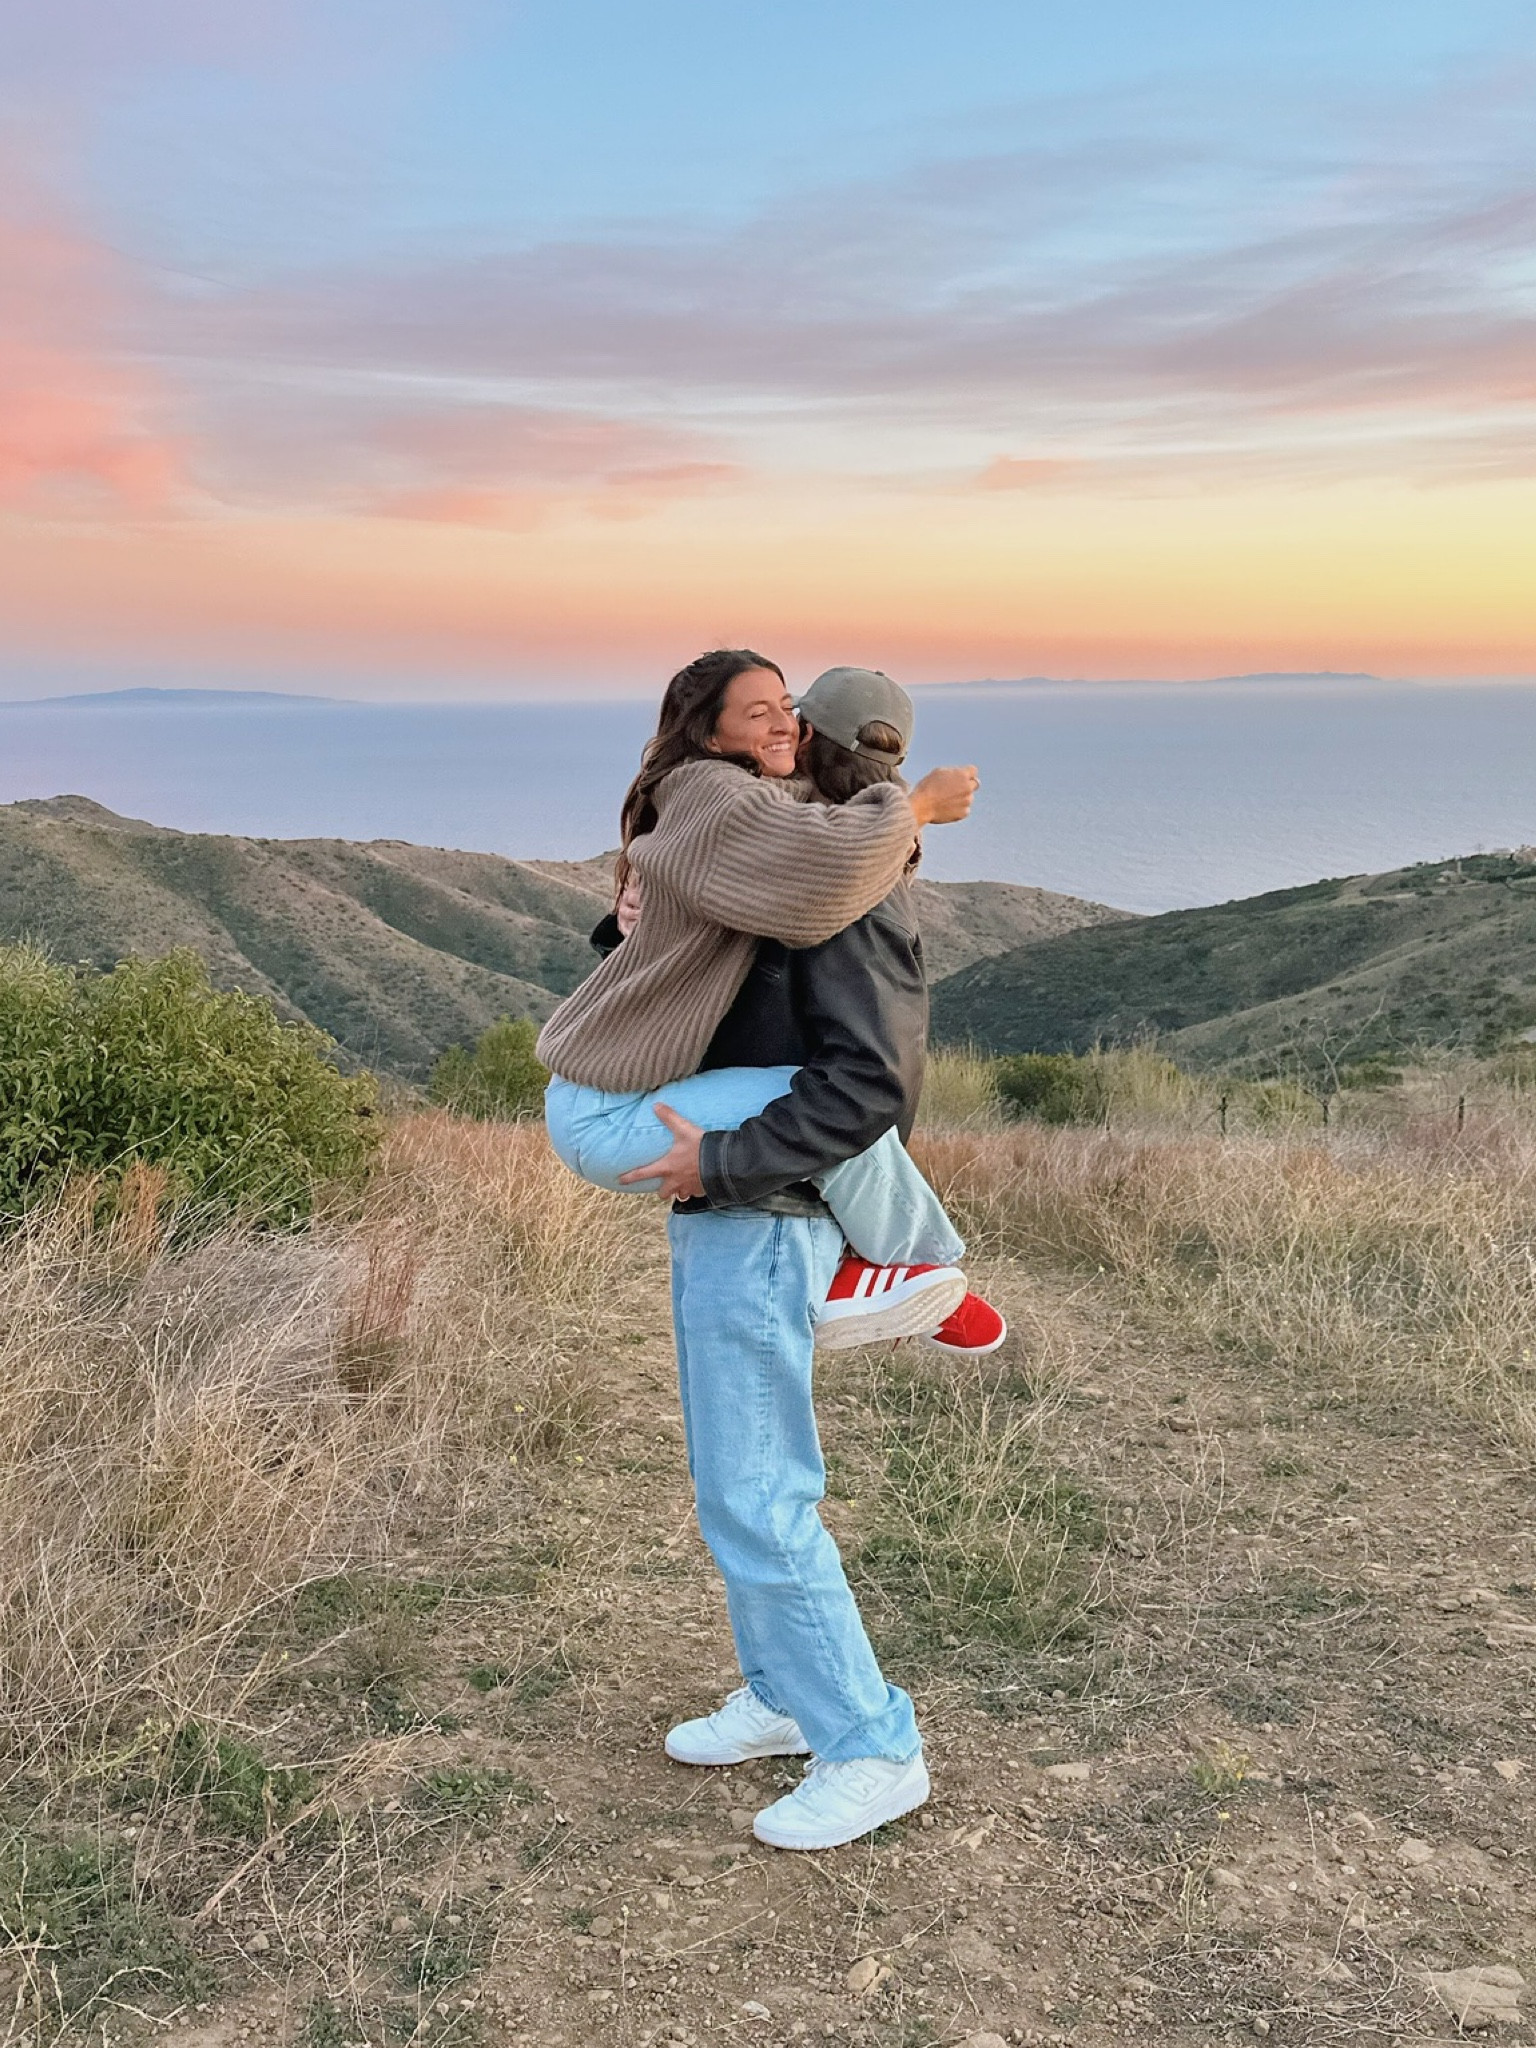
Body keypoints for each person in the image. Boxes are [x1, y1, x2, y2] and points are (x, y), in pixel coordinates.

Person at [537, 651, 992, 1348]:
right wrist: (918, 805)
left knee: (831, 1101)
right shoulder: (724, 801)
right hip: (607, 1114)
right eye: (762, 713)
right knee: (825, 1097)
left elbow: (812, 832)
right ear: (711, 735)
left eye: (790, 708)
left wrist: (641, 914)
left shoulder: (752, 811)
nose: (785, 725)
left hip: (625, 1099)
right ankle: (917, 1269)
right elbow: (824, 863)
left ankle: (898, 1270)